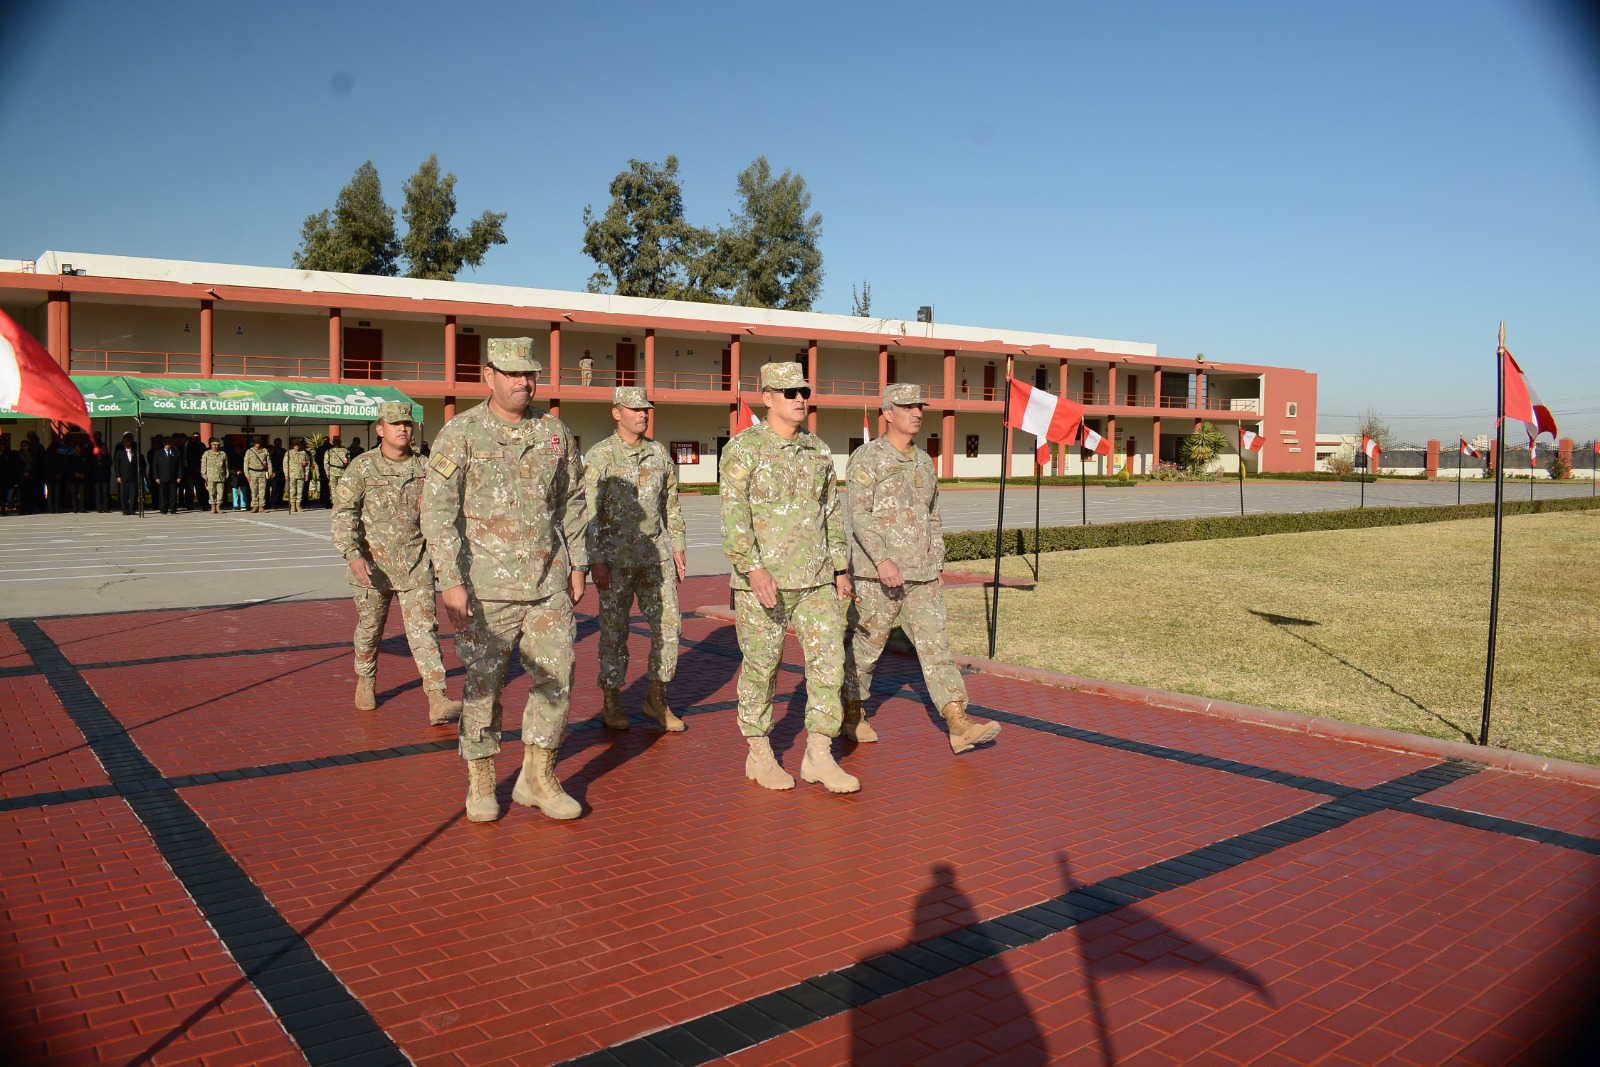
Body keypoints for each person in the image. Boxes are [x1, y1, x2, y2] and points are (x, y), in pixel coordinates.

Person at [422, 336, 589, 824]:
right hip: (484, 588)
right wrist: (449, 580)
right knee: (484, 686)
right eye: (512, 373)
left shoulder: (554, 433)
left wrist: (577, 563)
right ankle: (480, 778)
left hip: (547, 585)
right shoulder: (461, 433)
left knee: (556, 679)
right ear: (488, 375)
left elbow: (573, 500)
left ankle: (538, 776)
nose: (523, 382)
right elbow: (437, 510)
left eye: (530, 373)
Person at [719, 361, 858, 794]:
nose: (800, 400)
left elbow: (832, 513)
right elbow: (734, 515)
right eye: (790, 393)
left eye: (804, 392)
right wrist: (753, 567)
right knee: (762, 667)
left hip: (816, 579)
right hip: (764, 583)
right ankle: (759, 753)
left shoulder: (818, 451)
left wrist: (839, 568)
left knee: (829, 665)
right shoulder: (743, 450)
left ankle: (819, 752)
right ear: (768, 398)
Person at [843, 385, 1001, 754]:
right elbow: (859, 515)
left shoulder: (924, 460)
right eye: (908, 406)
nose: (916, 412)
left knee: (935, 647)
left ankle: (957, 720)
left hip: (922, 575)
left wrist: (937, 561)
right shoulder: (867, 458)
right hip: (876, 576)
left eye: (919, 406)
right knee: (867, 648)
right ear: (887, 412)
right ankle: (852, 711)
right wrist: (882, 559)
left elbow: (933, 514)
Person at [333, 402, 463, 727]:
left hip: (415, 565)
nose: (403, 429)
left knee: (424, 633)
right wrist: (353, 554)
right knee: (370, 630)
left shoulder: (428, 466)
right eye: (395, 424)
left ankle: (437, 697)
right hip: (372, 569)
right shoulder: (361, 468)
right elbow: (343, 515)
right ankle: (366, 679)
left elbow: (455, 494)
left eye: (407, 423)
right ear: (380, 429)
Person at [584, 387, 688, 733]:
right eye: (635, 409)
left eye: (646, 409)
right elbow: (588, 513)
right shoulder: (600, 457)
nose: (643, 414)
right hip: (614, 562)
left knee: (669, 628)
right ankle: (611, 701)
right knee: (614, 632)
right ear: (617, 413)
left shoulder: (659, 453)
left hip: (654, 558)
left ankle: (656, 700)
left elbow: (670, 504)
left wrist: (678, 546)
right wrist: (595, 559)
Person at [151, 435, 184, 514]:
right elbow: (154, 466)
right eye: (165, 442)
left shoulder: (176, 453)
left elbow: (180, 466)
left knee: (173, 493)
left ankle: (172, 508)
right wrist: (156, 477)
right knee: (163, 494)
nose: (167, 444)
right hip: (162, 477)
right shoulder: (158, 453)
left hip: (173, 476)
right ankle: (163, 508)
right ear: (163, 444)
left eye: (169, 442)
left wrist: (179, 476)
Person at [112, 433, 141, 515]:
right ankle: (124, 510)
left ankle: (132, 509)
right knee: (124, 494)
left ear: (131, 441)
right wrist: (118, 475)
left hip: (133, 476)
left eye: (127, 441)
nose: (126, 443)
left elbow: (139, 463)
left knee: (133, 494)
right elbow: (117, 465)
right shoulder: (119, 452)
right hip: (123, 476)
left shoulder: (135, 451)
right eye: (124, 441)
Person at [243, 435, 272, 512]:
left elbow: (269, 462)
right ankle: (254, 506)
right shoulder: (249, 452)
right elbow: (246, 464)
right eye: (256, 442)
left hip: (262, 473)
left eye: (259, 442)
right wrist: (247, 475)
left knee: (262, 491)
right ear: (253, 443)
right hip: (252, 472)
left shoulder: (265, 451)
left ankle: (261, 506)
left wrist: (270, 472)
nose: (257, 444)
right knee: (254, 490)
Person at [200, 438, 228, 513]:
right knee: (211, 492)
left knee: (220, 492)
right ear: (211, 445)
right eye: (213, 445)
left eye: (216, 445)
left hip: (220, 476)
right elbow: (203, 465)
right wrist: (204, 475)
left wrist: (226, 474)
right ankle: (213, 507)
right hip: (210, 477)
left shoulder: (222, 453)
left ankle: (218, 507)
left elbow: (226, 465)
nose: (215, 446)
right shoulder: (207, 453)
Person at [284, 440, 311, 512]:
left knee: (300, 491)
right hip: (292, 474)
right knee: (292, 491)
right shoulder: (289, 453)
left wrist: (306, 474)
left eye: (298, 445)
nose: (296, 446)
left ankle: (298, 506)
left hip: (301, 474)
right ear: (293, 446)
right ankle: (292, 506)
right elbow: (285, 464)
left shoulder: (303, 453)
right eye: (295, 445)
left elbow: (308, 464)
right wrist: (286, 474)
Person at [324, 436, 350, 505]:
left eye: (338, 441)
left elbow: (349, 461)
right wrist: (327, 472)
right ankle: (335, 503)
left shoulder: (345, 450)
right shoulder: (329, 451)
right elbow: (326, 462)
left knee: (343, 487)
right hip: (333, 471)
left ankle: (343, 503)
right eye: (335, 441)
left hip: (342, 471)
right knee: (333, 488)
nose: (337, 442)